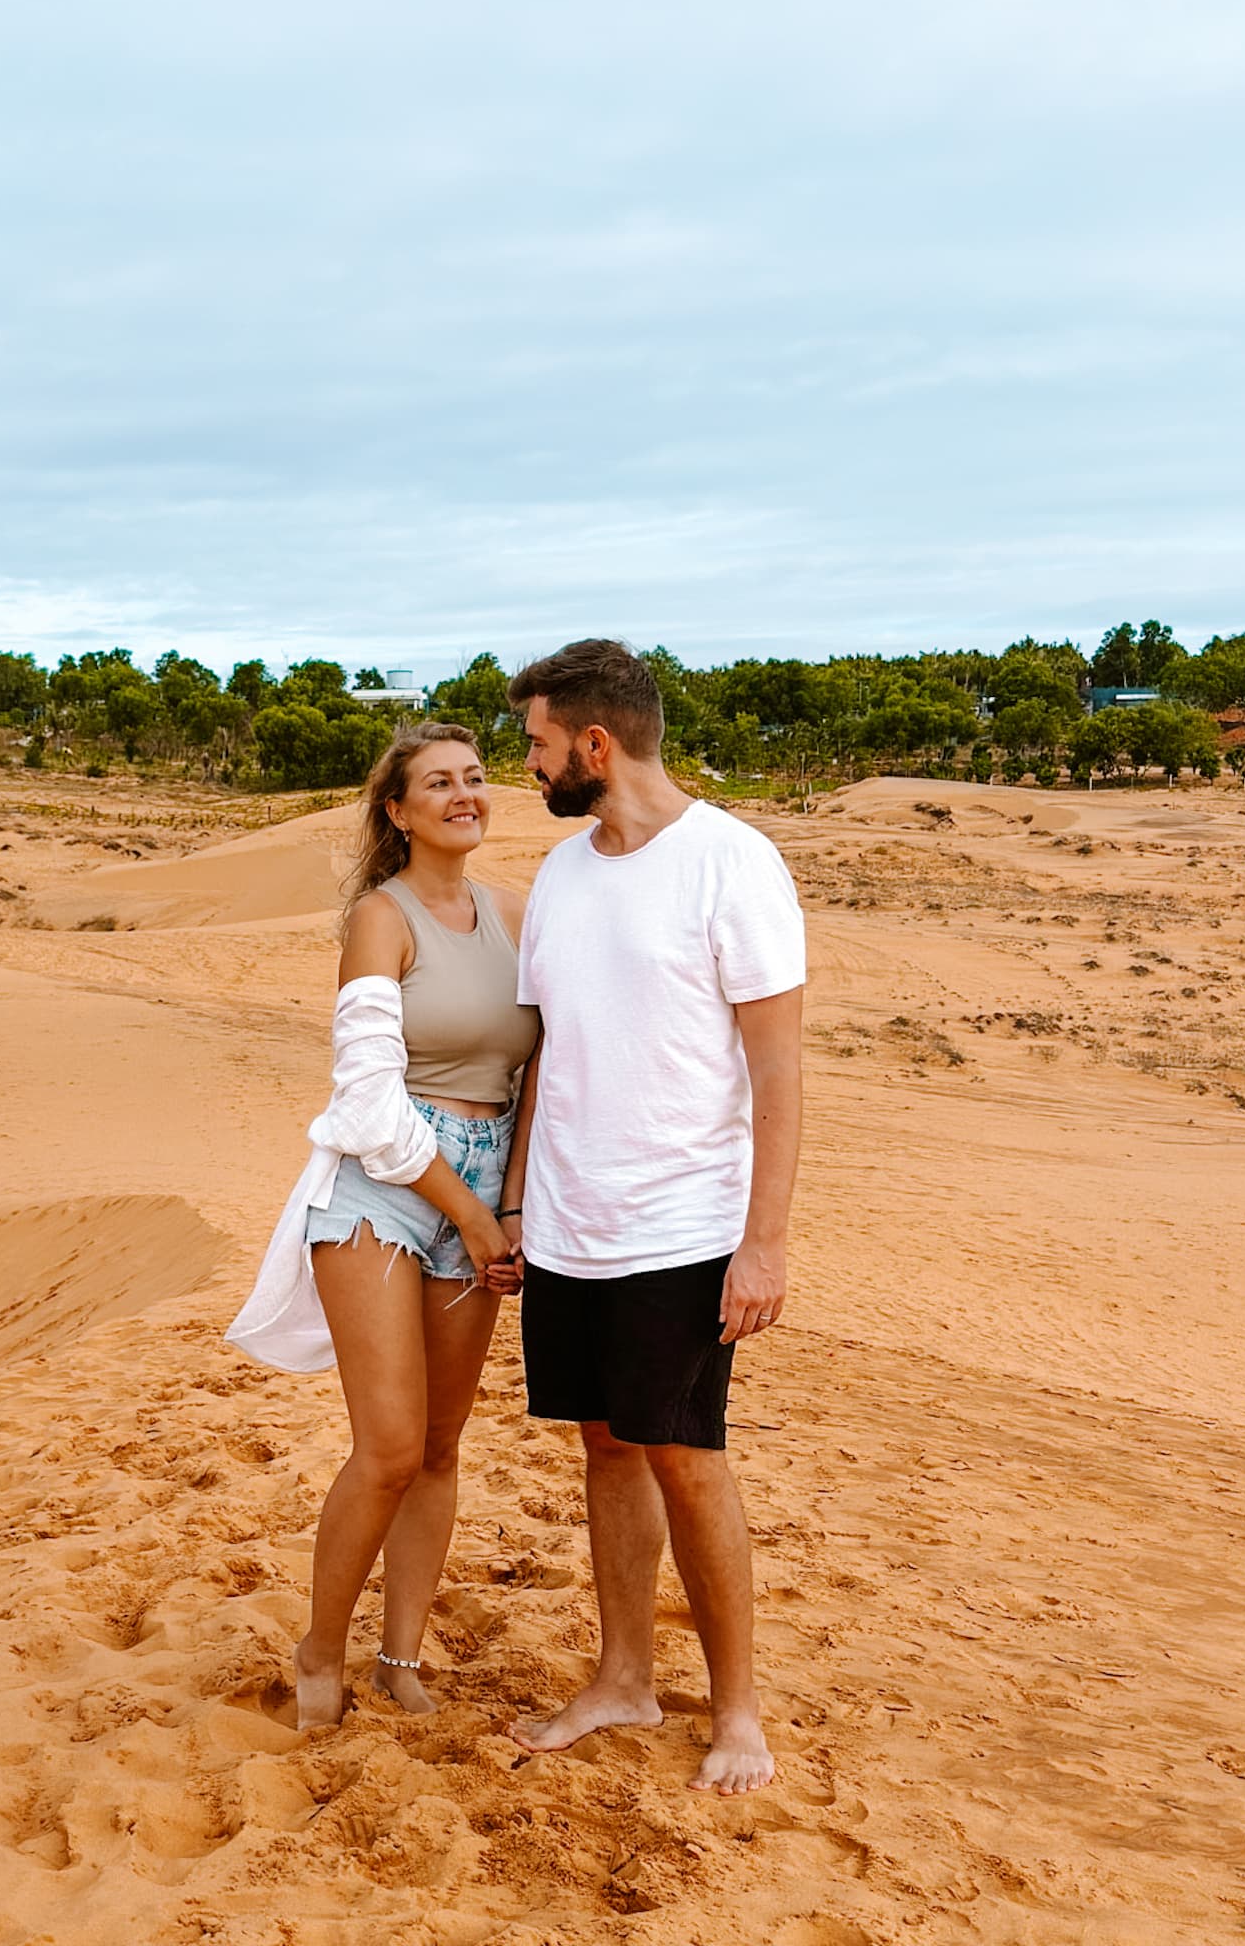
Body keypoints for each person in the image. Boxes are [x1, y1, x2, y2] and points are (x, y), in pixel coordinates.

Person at [497, 640, 805, 1795]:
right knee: (607, 1446)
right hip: (571, 1221)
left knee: (689, 1457)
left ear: (593, 742)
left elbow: (778, 1070)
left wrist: (763, 1239)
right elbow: (546, 1059)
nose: (525, 765)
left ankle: (737, 1711)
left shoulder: (734, 861)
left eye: (534, 743)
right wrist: (522, 1200)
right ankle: (625, 1675)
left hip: (683, 1224)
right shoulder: (567, 875)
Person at [226, 722, 538, 1727]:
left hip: (487, 1190)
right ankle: (322, 1644)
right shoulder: (381, 917)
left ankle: (401, 1655)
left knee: (444, 1446)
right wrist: (471, 1216)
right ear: (397, 810)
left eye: (476, 777)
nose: (464, 793)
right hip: (383, 1187)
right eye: (437, 782)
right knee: (391, 1444)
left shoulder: (522, 917)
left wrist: (512, 1206)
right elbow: (367, 1100)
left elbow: (542, 1077)